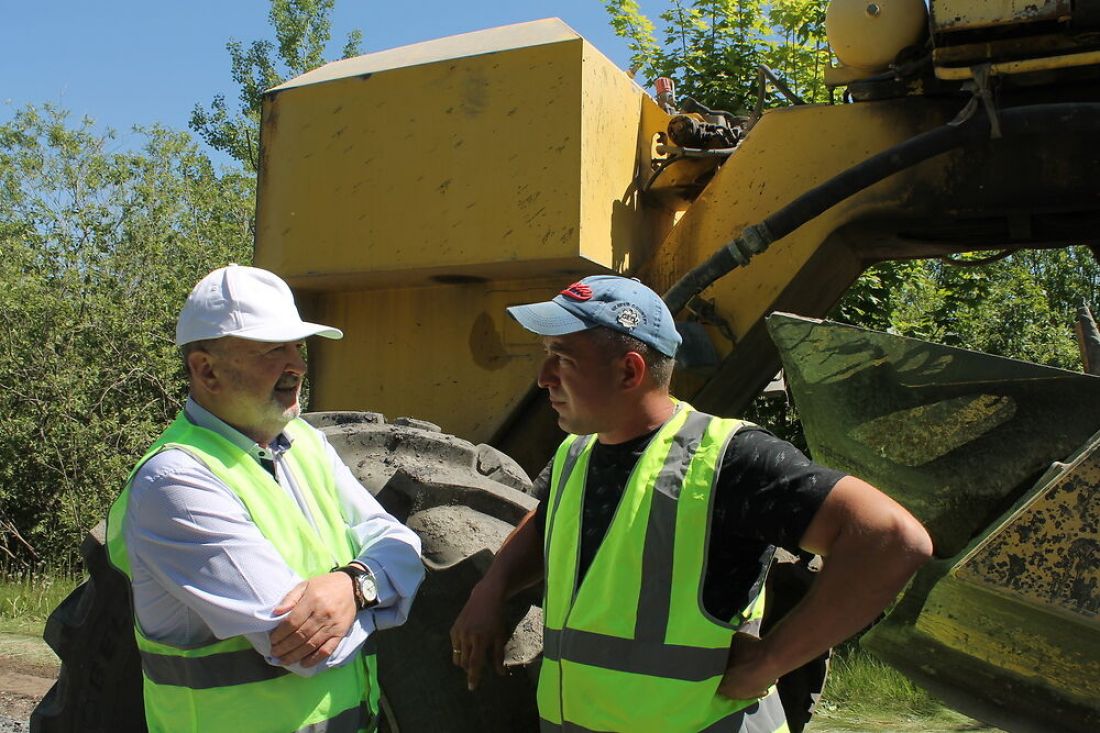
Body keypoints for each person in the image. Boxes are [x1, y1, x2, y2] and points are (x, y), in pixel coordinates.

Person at [450, 275, 933, 733]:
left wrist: (770, 662)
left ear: (629, 371)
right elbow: (547, 524)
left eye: (563, 358)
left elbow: (892, 538)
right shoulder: (578, 453)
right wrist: (490, 590)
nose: (543, 378)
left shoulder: (729, 459)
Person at [106, 264, 425, 732]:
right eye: (272, 349)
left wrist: (356, 584)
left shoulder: (304, 444)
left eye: (298, 347)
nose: (296, 364)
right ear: (206, 370)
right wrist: (379, 585)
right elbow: (304, 646)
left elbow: (400, 544)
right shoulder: (175, 482)